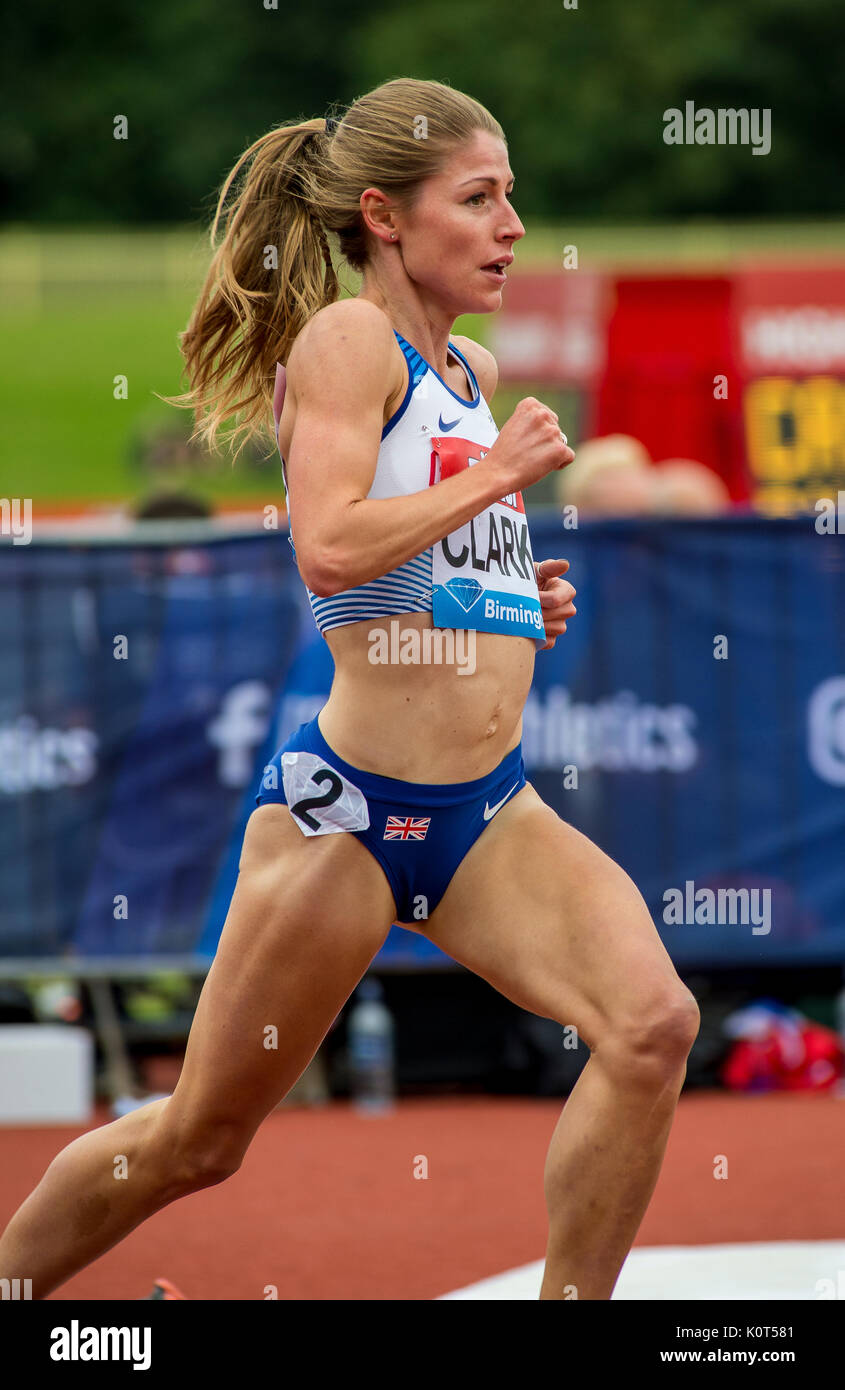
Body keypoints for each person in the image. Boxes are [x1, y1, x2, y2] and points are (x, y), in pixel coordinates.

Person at [0, 77, 699, 1302]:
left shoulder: (467, 366)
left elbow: (402, 565)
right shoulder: (346, 342)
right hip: (349, 819)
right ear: (383, 215)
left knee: (649, 1026)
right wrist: (494, 478)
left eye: (512, 197)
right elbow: (327, 547)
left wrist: (505, 598)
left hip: (487, 814)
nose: (511, 227)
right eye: (477, 199)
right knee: (195, 1143)